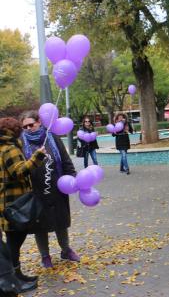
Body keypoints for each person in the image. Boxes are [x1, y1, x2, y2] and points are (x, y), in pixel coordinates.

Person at [19, 111, 80, 269]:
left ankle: (65, 250)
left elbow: (65, 159)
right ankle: (45, 256)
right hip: (36, 191)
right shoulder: (22, 142)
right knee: (40, 226)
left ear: (39, 122)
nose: (28, 128)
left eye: (31, 124)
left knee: (61, 221)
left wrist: (72, 177)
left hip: (57, 187)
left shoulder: (52, 138)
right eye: (24, 126)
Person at [0, 117, 46, 293]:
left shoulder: (2, 147)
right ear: (13, 130)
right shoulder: (9, 148)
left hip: (7, 202)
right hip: (14, 203)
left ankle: (18, 276)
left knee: (14, 241)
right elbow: (19, 171)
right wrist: (37, 156)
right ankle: (14, 282)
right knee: (14, 242)